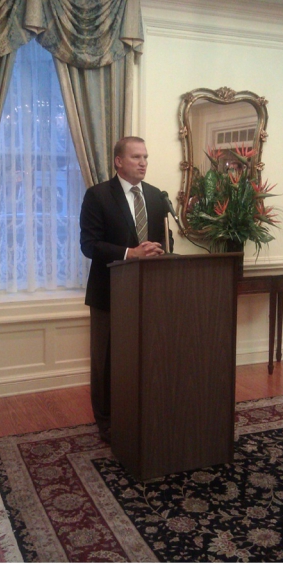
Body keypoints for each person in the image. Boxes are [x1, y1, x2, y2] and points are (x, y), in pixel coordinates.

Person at [80, 136, 173, 443]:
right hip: (109, 293)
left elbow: (164, 240)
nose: (143, 163)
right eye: (136, 157)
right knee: (106, 361)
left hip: (149, 293)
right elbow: (89, 245)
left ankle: (143, 412)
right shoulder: (98, 196)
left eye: (145, 157)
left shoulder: (156, 196)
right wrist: (130, 253)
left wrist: (160, 251)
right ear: (119, 161)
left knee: (145, 357)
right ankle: (106, 422)